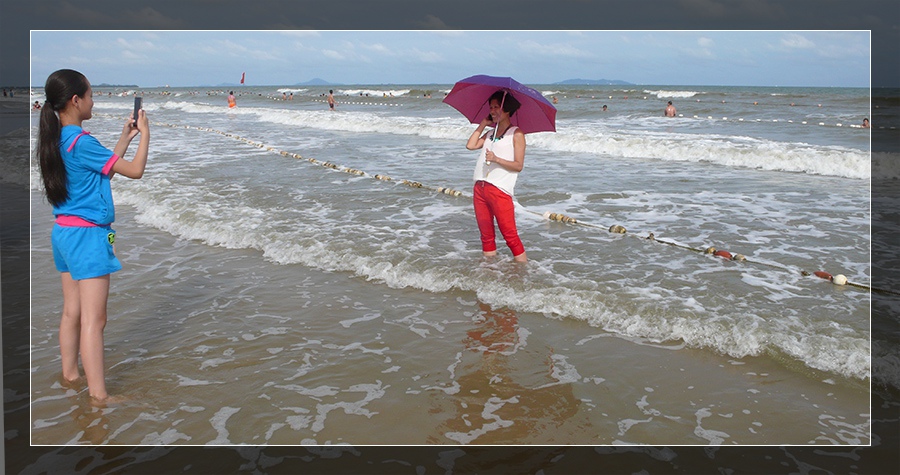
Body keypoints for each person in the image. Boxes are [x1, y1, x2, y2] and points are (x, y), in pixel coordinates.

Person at [37, 69, 150, 406]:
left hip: (64, 233)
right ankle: (99, 396)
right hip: (87, 238)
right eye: (89, 95)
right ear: (75, 100)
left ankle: (71, 374)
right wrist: (145, 135)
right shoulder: (83, 142)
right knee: (94, 319)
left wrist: (125, 138)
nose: (93, 101)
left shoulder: (57, 140)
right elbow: (135, 171)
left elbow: (98, 175)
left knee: (71, 312)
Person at [465, 90, 527, 263]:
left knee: (510, 236)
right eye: (491, 107)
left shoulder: (516, 134)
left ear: (507, 109)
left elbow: (518, 165)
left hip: (500, 190)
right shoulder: (490, 134)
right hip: (480, 188)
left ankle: (524, 272)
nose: (492, 111)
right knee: (486, 236)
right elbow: (470, 145)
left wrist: (496, 159)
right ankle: (490, 271)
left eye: (496, 107)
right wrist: (483, 124)